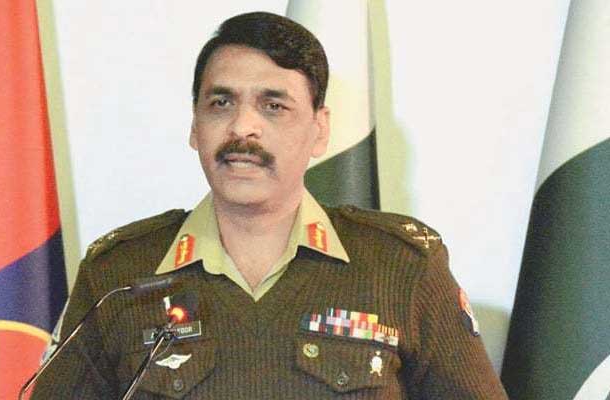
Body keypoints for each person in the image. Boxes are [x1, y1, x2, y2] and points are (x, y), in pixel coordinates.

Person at [31, 11, 508, 399]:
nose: (243, 127)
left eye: (273, 105)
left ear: (320, 129)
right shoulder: (118, 275)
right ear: (195, 126)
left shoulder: (401, 267)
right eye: (221, 103)